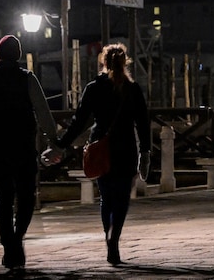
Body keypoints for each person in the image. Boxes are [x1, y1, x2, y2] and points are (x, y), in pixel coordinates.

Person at [51, 43, 151, 265]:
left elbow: (78, 122)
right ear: (125, 63)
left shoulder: (93, 87)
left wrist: (60, 144)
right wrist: (145, 152)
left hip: (100, 148)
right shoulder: (132, 89)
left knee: (106, 198)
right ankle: (114, 237)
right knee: (122, 198)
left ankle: (109, 239)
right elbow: (143, 123)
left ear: (103, 63)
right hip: (125, 147)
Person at [0, 35, 59, 271]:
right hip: (24, 144)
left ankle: (10, 246)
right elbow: (43, 111)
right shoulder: (27, 78)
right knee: (27, 196)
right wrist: (54, 139)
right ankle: (17, 239)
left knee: (5, 198)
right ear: (18, 54)